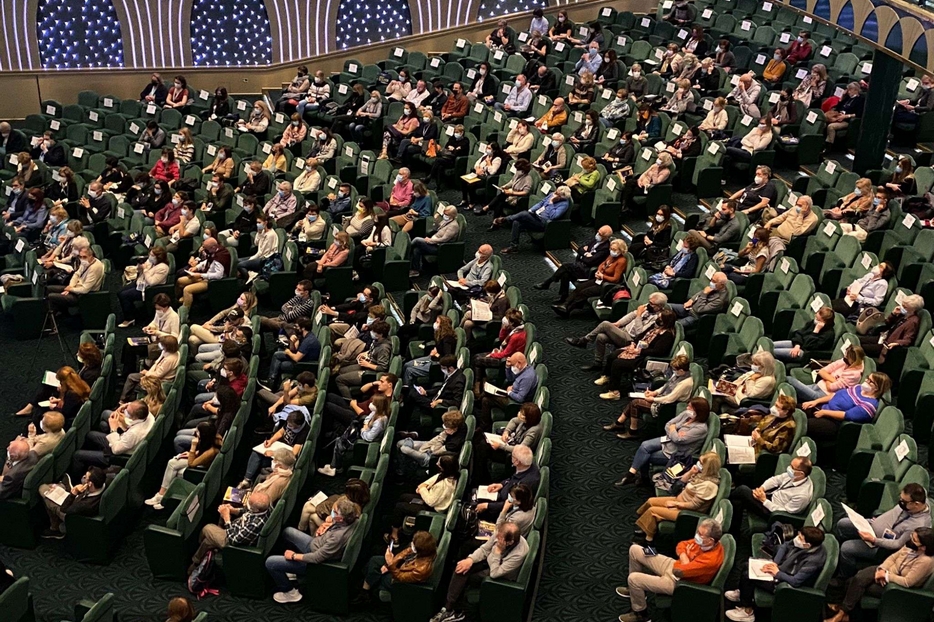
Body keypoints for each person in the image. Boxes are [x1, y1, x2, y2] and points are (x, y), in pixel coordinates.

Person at [617, 519, 725, 622]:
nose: (697, 536)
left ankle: (640, 614)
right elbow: (681, 544)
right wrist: (685, 556)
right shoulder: (705, 542)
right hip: (672, 563)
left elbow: (679, 571)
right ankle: (635, 591)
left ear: (711, 540)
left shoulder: (710, 559)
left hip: (678, 582)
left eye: (700, 534)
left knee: (634, 578)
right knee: (635, 549)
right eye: (698, 531)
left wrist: (686, 557)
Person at [827, 527, 934, 622]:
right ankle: (845, 613)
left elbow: (907, 582)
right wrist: (882, 569)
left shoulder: (926, 561)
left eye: (914, 539)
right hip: (887, 571)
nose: (910, 539)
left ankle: (843, 613)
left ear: (923, 547)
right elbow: (893, 557)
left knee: (854, 584)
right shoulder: (910, 546)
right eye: (911, 536)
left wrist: (886, 576)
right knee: (856, 579)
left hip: (897, 587)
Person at [265, 496, 360, 603]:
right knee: (287, 532)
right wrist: (328, 524)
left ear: (341, 518)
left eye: (334, 512)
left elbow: (316, 558)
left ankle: (290, 592)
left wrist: (293, 556)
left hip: (315, 562)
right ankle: (292, 570)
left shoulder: (338, 537)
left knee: (270, 562)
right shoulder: (353, 518)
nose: (331, 513)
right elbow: (335, 524)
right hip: (316, 543)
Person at [430, 522, 529, 622]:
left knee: (468, 577)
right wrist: (470, 559)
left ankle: (458, 611)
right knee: (461, 568)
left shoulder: (519, 553)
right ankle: (448, 608)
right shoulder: (501, 533)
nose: (497, 538)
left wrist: (497, 552)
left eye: (500, 538)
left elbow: (495, 573)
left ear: (509, 542)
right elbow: (485, 549)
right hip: (491, 562)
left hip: (501, 576)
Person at [726, 526, 827, 622]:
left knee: (747, 576)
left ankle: (747, 612)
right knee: (746, 565)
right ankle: (744, 593)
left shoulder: (813, 561)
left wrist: (777, 573)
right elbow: (785, 545)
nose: (796, 538)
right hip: (781, 569)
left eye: (800, 538)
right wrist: (774, 563)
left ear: (807, 545)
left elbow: (795, 581)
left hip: (785, 585)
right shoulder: (804, 543)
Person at [835, 484, 931, 578]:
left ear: (916, 504)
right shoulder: (919, 498)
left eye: (903, 501)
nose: (900, 502)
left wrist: (874, 540)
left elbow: (897, 544)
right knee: (842, 524)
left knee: (846, 548)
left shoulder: (918, 525)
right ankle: (837, 554)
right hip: (871, 526)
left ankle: (844, 576)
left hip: (880, 547)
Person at [616, 396, 710, 486]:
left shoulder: (701, 428)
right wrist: (674, 431)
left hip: (677, 452)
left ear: (698, 411)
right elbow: (668, 424)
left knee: (646, 457)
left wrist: (673, 429)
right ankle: (631, 474)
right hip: (668, 440)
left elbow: (678, 440)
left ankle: (643, 479)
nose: (687, 408)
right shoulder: (687, 414)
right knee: (644, 446)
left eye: (690, 407)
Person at [634, 452, 721, 544]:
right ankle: (643, 524)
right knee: (650, 501)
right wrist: (691, 472)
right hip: (679, 501)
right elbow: (682, 481)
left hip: (686, 512)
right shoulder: (701, 475)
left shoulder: (708, 486)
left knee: (653, 511)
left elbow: (694, 505)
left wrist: (676, 504)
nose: (698, 464)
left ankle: (648, 539)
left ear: (707, 467)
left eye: (701, 463)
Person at [567, 293, 669, 370]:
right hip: (623, 331)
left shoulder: (657, 318)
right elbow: (631, 316)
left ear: (659, 307)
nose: (648, 304)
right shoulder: (648, 308)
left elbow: (640, 332)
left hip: (631, 340)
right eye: (649, 301)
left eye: (652, 303)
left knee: (605, 324)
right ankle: (598, 363)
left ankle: (584, 340)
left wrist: (639, 315)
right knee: (601, 337)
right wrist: (618, 323)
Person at [603, 354, 693, 439]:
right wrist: (653, 393)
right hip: (662, 399)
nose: (673, 371)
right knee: (634, 401)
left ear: (681, 370)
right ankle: (620, 423)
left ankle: (631, 431)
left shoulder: (685, 383)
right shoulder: (678, 375)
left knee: (635, 403)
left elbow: (669, 399)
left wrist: (653, 399)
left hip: (666, 407)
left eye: (674, 369)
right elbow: (666, 386)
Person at [145, 421, 222, 510]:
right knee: (172, 463)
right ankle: (164, 497)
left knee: (175, 469)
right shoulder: (212, 439)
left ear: (204, 435)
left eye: (198, 432)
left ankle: (162, 496)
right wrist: (191, 454)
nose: (195, 433)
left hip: (200, 470)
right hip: (199, 462)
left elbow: (192, 464)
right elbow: (202, 450)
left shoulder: (211, 452)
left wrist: (193, 447)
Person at [385, 454, 460, 545]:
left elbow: (430, 502)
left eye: (439, 464)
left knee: (400, 507)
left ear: (444, 468)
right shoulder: (445, 475)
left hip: (431, 508)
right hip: (429, 496)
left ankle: (394, 536)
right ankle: (399, 523)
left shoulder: (445, 485)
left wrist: (422, 489)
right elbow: (428, 482)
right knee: (403, 497)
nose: (436, 463)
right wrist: (422, 487)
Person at [804, 372, 891, 446]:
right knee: (795, 409)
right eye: (867, 378)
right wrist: (816, 401)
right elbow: (835, 395)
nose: (866, 381)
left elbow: (846, 415)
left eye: (870, 381)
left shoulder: (869, 406)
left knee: (803, 424)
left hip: (834, 422)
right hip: (824, 407)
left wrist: (824, 412)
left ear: (877, 388)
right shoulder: (858, 388)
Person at [190, 491, 271, 571]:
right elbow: (248, 511)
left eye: (249, 503)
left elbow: (233, 540)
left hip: (234, 545)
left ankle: (196, 548)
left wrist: (227, 518)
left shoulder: (255, 525)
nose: (247, 504)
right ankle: (196, 562)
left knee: (207, 528)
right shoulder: (265, 509)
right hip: (237, 529)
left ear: (256, 509)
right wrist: (233, 510)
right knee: (208, 541)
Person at [70, 401, 154, 477]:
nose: (125, 412)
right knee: (90, 435)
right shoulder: (147, 414)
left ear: (135, 417)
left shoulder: (134, 433)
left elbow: (116, 450)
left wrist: (113, 429)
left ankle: (76, 480)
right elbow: (134, 405)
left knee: (77, 455)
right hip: (122, 439)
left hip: (118, 454)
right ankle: (92, 463)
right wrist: (125, 405)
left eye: (127, 412)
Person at [729, 456, 814, 527]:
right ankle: (733, 529)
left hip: (773, 513)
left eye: (792, 467)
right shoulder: (794, 475)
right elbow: (775, 480)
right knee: (738, 501)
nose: (789, 468)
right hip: (770, 496)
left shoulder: (802, 495)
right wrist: (762, 488)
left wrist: (763, 500)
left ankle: (725, 500)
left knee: (742, 490)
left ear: (801, 474)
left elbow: (784, 513)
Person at [552, 238, 627, 316]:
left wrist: (602, 276)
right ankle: (565, 304)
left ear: (620, 250)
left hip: (607, 285)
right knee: (580, 287)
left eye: (614, 249)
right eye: (611, 248)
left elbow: (616, 279)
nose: (611, 251)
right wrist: (599, 271)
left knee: (584, 292)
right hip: (599, 279)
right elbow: (602, 264)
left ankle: (568, 310)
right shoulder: (611, 256)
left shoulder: (622, 261)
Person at [358, 530, 437, 604]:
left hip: (402, 584)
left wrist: (390, 563)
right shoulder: (421, 549)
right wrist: (388, 565)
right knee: (375, 560)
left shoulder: (422, 569)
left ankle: (365, 592)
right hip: (402, 567)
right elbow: (401, 555)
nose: (411, 544)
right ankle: (365, 590)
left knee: (378, 574)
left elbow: (399, 577)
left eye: (413, 543)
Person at [535, 226, 612, 298]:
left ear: (606, 237)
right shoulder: (595, 240)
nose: (597, 234)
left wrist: (583, 256)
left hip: (586, 270)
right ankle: (563, 296)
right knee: (565, 273)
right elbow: (580, 249)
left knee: (565, 266)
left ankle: (548, 283)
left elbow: (591, 261)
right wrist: (585, 254)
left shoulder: (605, 249)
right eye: (598, 232)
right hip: (580, 265)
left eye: (600, 234)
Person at [495, 186, 571, 255]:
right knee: (516, 222)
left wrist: (551, 203)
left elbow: (553, 216)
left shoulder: (564, 204)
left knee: (524, 214)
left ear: (561, 197)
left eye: (557, 194)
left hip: (544, 223)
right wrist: (531, 210)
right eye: (555, 192)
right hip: (536, 216)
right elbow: (541, 203)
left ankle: (505, 219)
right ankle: (514, 247)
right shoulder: (552, 194)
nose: (554, 194)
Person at [38, 466, 109, 539]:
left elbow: (64, 509)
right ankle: (64, 487)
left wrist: (73, 493)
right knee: (51, 486)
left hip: (71, 516)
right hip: (78, 501)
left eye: (86, 478)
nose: (84, 477)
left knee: (43, 489)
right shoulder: (104, 484)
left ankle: (55, 528)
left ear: (90, 484)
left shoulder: (85, 505)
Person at [334, 320, 392, 399]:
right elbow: (373, 350)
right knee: (340, 370)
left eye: (374, 331)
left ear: (381, 334)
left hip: (371, 373)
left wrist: (368, 364)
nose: (371, 332)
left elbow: (383, 367)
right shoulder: (378, 340)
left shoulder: (384, 348)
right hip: (368, 363)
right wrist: (366, 353)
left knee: (339, 380)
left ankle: (349, 402)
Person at [396, 409, 467, 471]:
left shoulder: (453, 444)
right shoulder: (458, 426)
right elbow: (435, 439)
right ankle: (403, 467)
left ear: (454, 429)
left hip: (432, 458)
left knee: (404, 448)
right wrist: (423, 449)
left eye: (446, 427)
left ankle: (403, 472)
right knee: (400, 443)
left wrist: (443, 436)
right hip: (431, 448)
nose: (444, 428)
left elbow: (435, 451)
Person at [861, 295, 925, 363]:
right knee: (858, 340)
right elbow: (887, 324)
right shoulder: (902, 314)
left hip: (886, 346)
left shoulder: (913, 322)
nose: (901, 307)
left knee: (860, 348)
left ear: (913, 309)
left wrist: (897, 343)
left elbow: (908, 340)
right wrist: (893, 314)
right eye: (902, 305)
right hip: (884, 338)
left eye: (905, 307)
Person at [788, 346, 865, 403]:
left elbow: (831, 387)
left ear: (852, 360)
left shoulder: (853, 375)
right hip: (818, 385)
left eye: (847, 357)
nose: (844, 358)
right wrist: (833, 379)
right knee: (790, 391)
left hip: (823, 395)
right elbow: (822, 371)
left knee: (790, 380)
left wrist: (827, 377)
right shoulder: (845, 360)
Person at [117, 250, 171, 328]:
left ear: (158, 257)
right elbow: (139, 270)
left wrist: (145, 270)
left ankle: (129, 318)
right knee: (120, 292)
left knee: (124, 295)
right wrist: (140, 266)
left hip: (148, 289)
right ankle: (133, 312)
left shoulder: (163, 268)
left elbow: (151, 282)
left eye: (152, 255)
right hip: (140, 282)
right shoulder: (150, 261)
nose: (150, 256)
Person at [712, 351, 777, 414]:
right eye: (753, 363)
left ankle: (711, 418)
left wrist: (752, 379)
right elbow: (741, 379)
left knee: (717, 397)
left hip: (741, 399)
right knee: (714, 387)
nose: (752, 365)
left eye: (756, 364)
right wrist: (728, 386)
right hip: (735, 391)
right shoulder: (756, 372)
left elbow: (751, 394)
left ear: (763, 366)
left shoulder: (767, 380)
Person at [119, 335, 179, 402]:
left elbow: (158, 375)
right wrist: (147, 374)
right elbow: (156, 363)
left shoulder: (170, 360)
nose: (160, 346)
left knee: (131, 379)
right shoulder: (165, 351)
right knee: (132, 377)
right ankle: (126, 398)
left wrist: (146, 374)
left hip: (159, 381)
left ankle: (123, 400)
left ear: (167, 346)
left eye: (162, 345)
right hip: (153, 374)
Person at [175, 237, 232, 307]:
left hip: (212, 281)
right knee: (180, 281)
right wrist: (196, 267)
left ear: (213, 247)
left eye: (206, 248)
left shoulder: (221, 256)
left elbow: (219, 275)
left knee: (187, 290)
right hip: (204, 275)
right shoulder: (212, 251)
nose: (204, 250)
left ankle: (184, 313)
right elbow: (207, 261)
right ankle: (176, 302)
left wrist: (201, 275)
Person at [299, 478, 370, 533]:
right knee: (309, 507)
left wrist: (329, 516)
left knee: (308, 508)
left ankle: (302, 530)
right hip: (334, 515)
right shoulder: (360, 499)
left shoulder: (352, 509)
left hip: (335, 523)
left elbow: (337, 519)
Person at [409, 205, 461, 275]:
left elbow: (444, 239)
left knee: (417, 240)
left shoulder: (453, 226)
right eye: (444, 213)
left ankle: (406, 252)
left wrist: (430, 240)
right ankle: (415, 270)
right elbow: (437, 228)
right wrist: (436, 220)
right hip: (433, 243)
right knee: (416, 250)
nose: (444, 215)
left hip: (440, 247)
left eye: (447, 214)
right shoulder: (447, 220)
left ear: (452, 215)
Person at [825, 82, 865, 148]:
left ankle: (829, 146)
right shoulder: (847, 98)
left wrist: (846, 116)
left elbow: (858, 114)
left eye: (850, 90)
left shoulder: (860, 100)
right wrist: (842, 97)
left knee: (831, 127)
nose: (848, 92)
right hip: (838, 116)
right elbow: (838, 107)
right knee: (824, 119)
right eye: (848, 90)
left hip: (847, 120)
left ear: (856, 90)